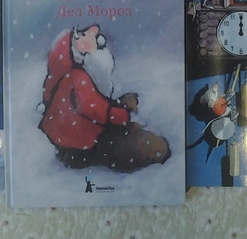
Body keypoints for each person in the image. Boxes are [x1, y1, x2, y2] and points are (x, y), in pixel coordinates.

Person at [38, 24, 170, 173]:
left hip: (74, 140)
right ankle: (152, 152)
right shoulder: (78, 77)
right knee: (129, 144)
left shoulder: (74, 75)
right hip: (81, 146)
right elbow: (94, 110)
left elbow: (97, 104)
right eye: (85, 36)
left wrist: (118, 108)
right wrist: (122, 114)